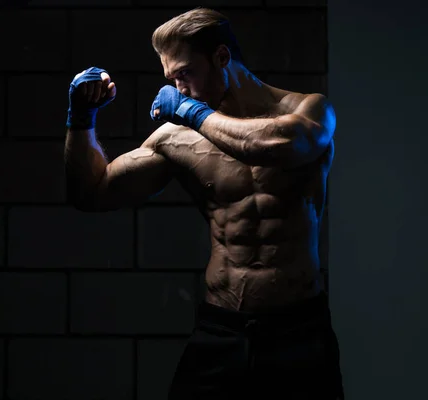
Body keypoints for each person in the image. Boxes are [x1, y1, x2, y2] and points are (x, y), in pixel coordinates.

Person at [64, 7, 343, 400]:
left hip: (299, 330)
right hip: (221, 330)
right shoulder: (177, 137)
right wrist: (82, 119)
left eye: (185, 74)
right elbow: (91, 193)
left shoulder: (306, 110)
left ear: (222, 58)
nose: (179, 89)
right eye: (171, 79)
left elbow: (278, 145)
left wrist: (194, 114)